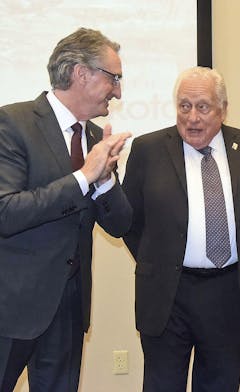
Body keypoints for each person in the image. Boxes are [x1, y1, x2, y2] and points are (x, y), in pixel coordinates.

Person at [0, 28, 132, 391]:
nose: (118, 91)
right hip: (12, 310)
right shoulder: (13, 123)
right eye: (113, 78)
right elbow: (6, 213)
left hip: (69, 309)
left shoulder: (94, 139)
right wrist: (84, 176)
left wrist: (104, 180)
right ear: (80, 73)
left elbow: (120, 225)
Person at [123, 66, 240, 392]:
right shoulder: (149, 150)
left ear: (223, 109)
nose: (192, 117)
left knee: (221, 384)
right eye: (184, 106)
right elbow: (132, 224)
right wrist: (162, 259)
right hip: (167, 294)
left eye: (202, 107)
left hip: (227, 292)